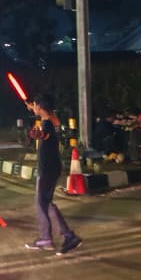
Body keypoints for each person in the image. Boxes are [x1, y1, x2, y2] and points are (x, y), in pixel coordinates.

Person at [25, 95, 82, 255]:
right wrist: (34, 107)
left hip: (47, 169)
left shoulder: (47, 125)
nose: (33, 108)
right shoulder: (52, 120)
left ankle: (47, 239)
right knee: (47, 204)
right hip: (52, 167)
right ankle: (68, 236)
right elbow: (48, 119)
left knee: (41, 203)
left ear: (40, 108)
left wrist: (37, 135)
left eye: (35, 106)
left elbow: (44, 134)